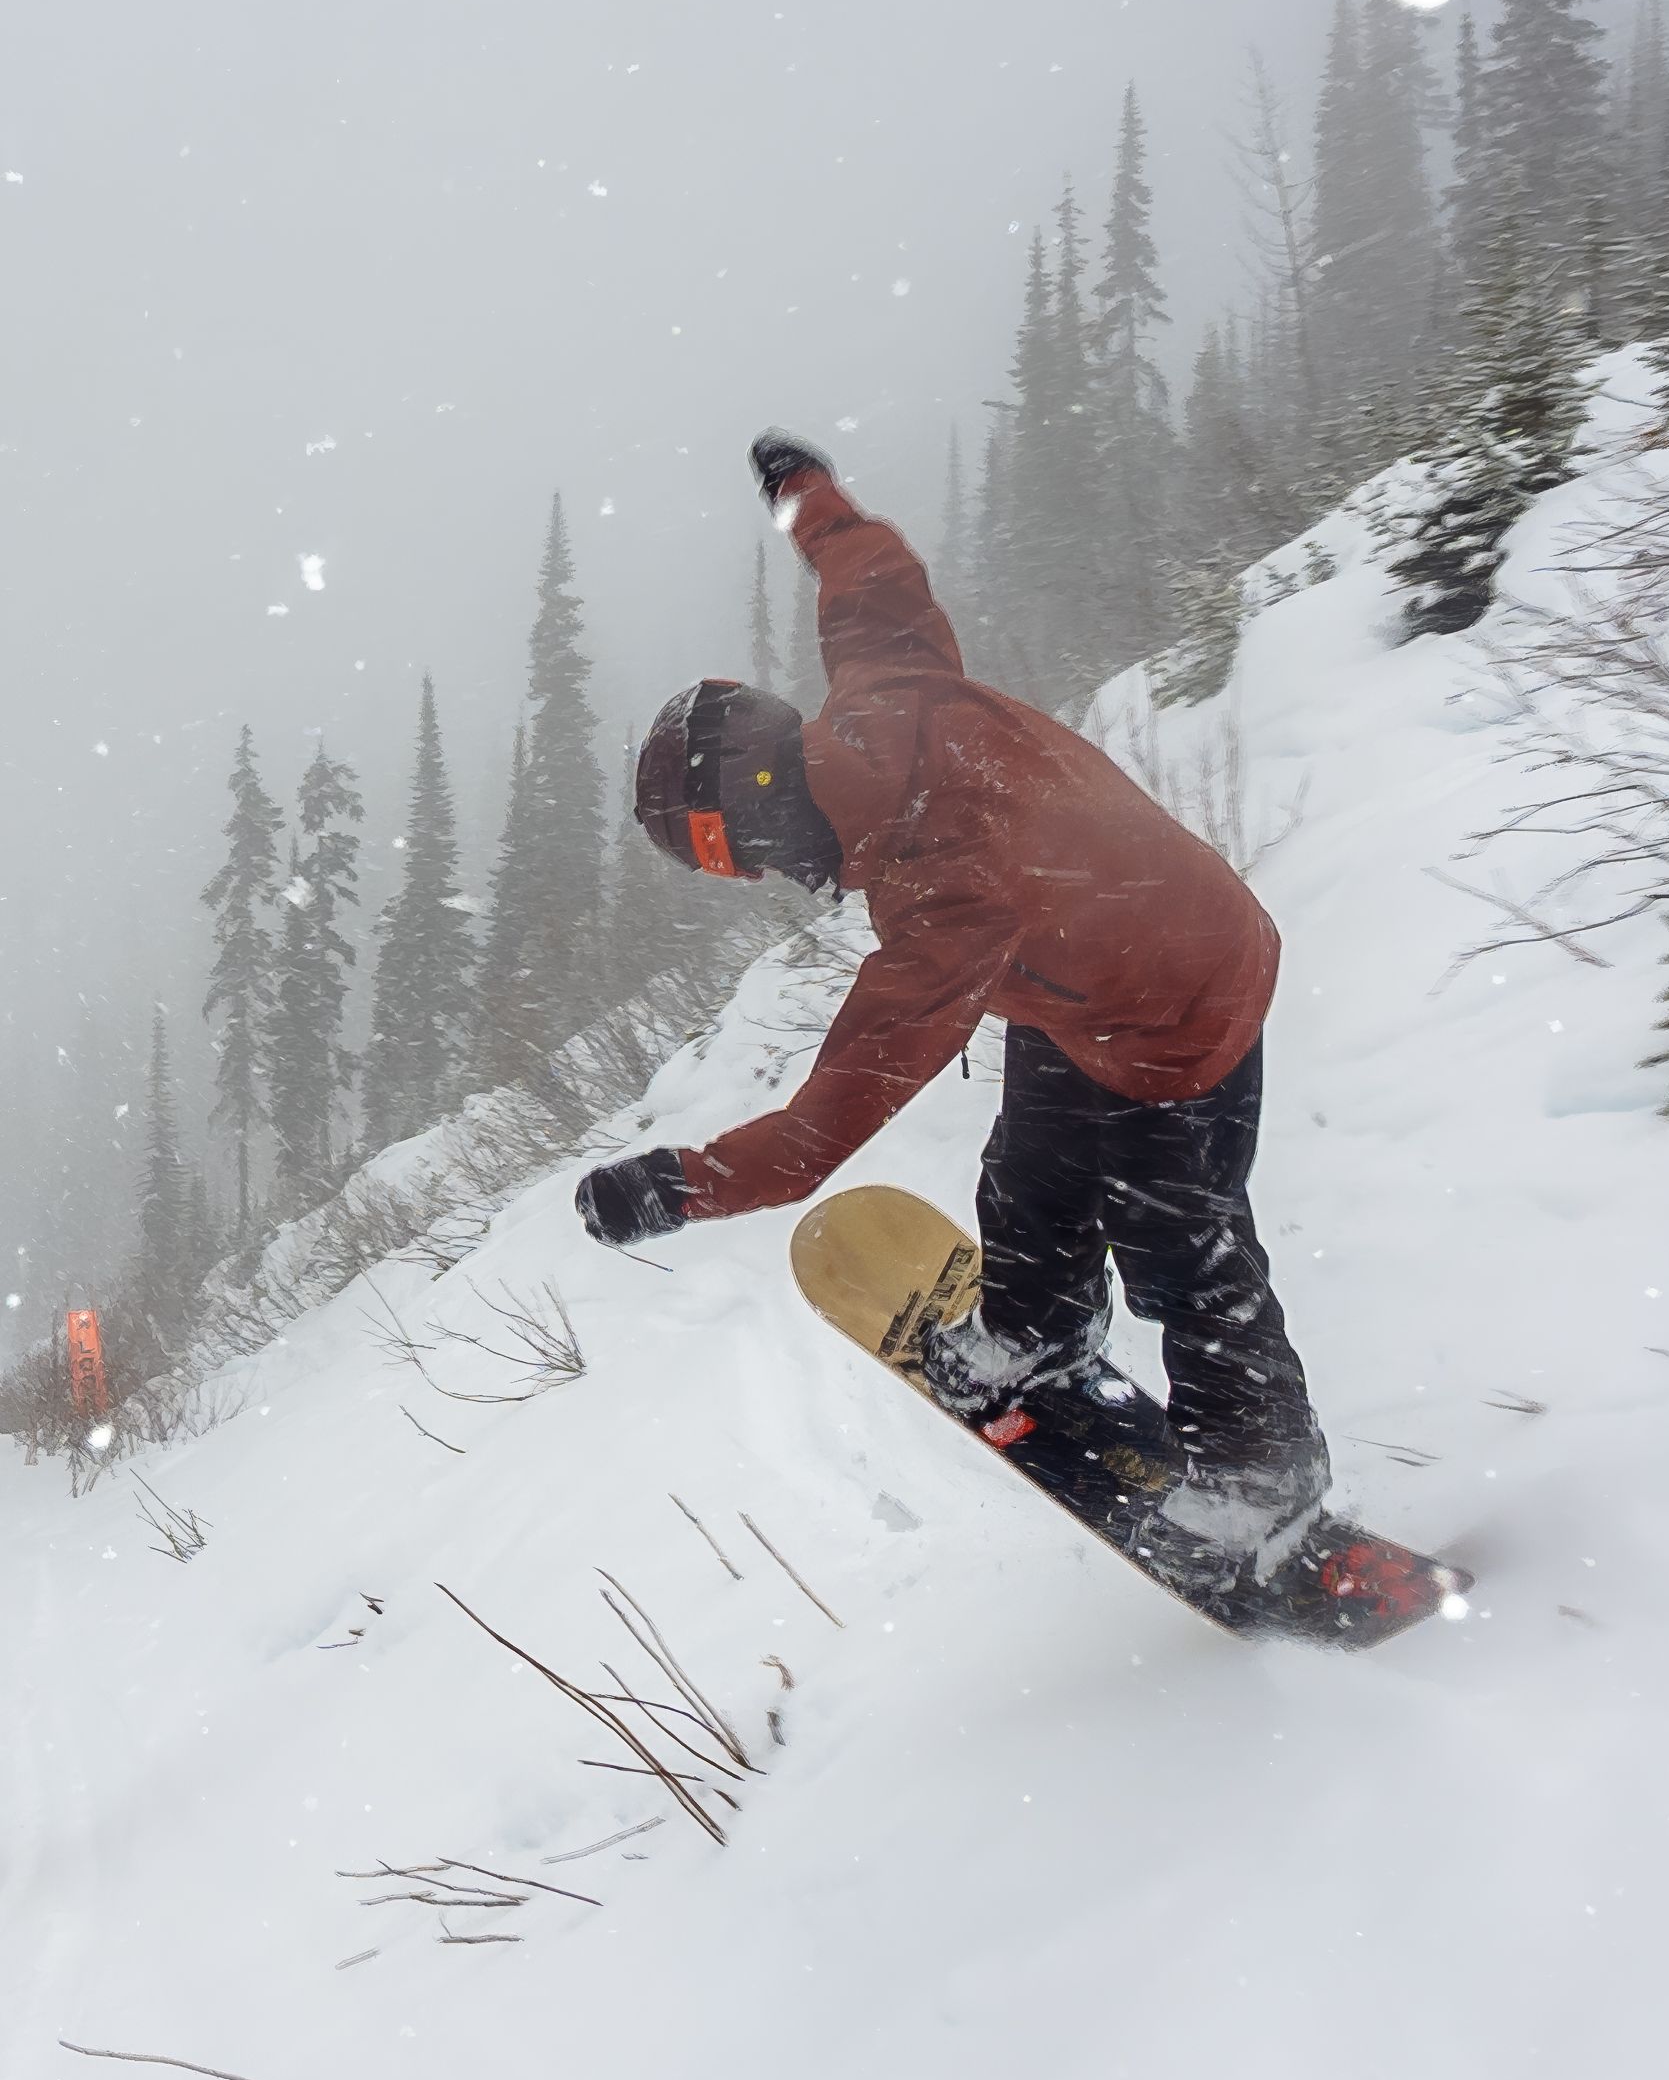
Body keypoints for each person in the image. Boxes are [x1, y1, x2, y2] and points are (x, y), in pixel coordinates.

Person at [569, 431, 1333, 1565]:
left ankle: (1263, 1466)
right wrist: (802, 494)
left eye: (728, 853)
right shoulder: (886, 692)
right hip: (1086, 968)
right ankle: (1038, 1328)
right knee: (1031, 1170)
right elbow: (868, 573)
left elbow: (829, 1114)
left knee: (1181, 1241)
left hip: (1186, 999)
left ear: (764, 802)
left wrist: (679, 1185)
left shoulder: (938, 887)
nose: (763, 878)